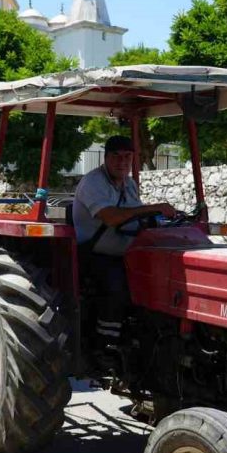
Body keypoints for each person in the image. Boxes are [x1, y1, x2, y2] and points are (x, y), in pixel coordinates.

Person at [73, 135, 177, 364]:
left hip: (129, 253)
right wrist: (152, 208)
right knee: (118, 288)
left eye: (127, 157)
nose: (122, 162)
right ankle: (104, 347)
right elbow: (111, 217)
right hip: (94, 255)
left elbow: (137, 215)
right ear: (106, 157)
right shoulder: (93, 182)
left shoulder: (129, 184)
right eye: (116, 156)